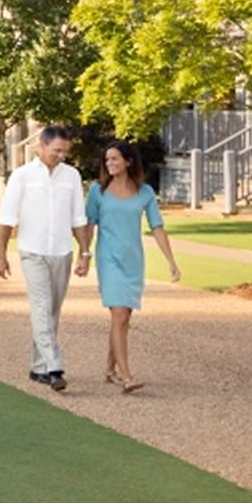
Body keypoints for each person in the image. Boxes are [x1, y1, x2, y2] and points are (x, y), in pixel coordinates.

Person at [0, 125, 91, 392]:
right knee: (40, 306)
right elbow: (7, 218)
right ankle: (54, 365)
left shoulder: (71, 176)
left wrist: (85, 253)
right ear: (42, 146)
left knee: (51, 311)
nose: (61, 155)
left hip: (62, 251)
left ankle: (39, 368)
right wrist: (1, 254)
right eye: (57, 150)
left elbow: (78, 219)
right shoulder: (22, 176)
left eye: (65, 152)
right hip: (32, 251)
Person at [82, 140, 181, 393]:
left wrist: (171, 262)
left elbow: (157, 226)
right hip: (108, 259)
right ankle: (127, 377)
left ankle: (110, 369)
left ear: (128, 161)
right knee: (119, 315)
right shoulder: (97, 191)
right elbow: (89, 224)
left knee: (123, 320)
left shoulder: (145, 192)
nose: (110, 164)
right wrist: (84, 255)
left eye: (115, 159)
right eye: (107, 160)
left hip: (133, 261)